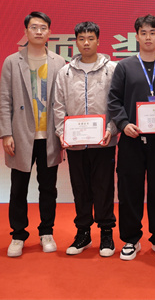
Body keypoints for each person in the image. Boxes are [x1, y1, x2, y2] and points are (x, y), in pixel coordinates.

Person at [107, 14, 155, 261]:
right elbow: (114, 100)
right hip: (132, 139)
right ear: (136, 36)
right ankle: (131, 239)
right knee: (129, 191)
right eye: (144, 33)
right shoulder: (124, 66)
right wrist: (123, 124)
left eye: (153, 33)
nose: (148, 37)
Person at [0, 11, 66, 258]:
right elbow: (5, 100)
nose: (39, 31)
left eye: (43, 27)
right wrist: (6, 133)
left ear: (50, 32)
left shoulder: (59, 62)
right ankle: (18, 235)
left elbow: (64, 100)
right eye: (34, 27)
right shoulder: (12, 61)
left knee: (48, 188)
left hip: (49, 136)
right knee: (18, 188)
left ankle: (46, 232)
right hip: (21, 136)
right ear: (26, 31)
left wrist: (64, 132)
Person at [53, 21, 118, 257]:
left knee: (104, 188)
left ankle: (107, 233)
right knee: (80, 189)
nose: (86, 43)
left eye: (91, 38)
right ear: (76, 42)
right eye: (82, 39)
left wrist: (111, 128)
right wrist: (62, 133)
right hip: (76, 143)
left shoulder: (112, 69)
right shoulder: (65, 72)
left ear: (98, 41)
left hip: (104, 141)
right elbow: (58, 106)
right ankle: (83, 233)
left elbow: (117, 103)